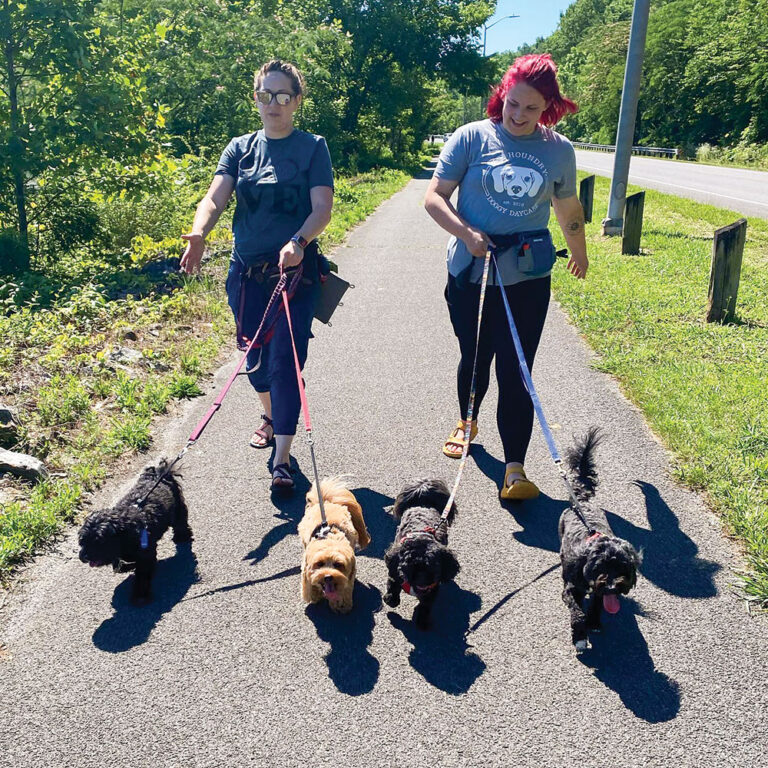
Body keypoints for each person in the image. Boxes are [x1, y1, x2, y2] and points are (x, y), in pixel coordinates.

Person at [424, 53, 588, 501]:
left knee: (519, 369)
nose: (518, 115)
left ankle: (515, 467)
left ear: (547, 107)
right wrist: (466, 232)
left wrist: (580, 253)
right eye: (513, 103)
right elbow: (434, 198)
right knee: (475, 356)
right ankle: (467, 420)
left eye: (531, 108)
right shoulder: (472, 137)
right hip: (470, 273)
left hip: (527, 279)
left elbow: (568, 208)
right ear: (503, 94)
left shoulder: (558, 149)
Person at [180, 60, 334, 491]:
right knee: (256, 359)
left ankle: (282, 458)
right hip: (246, 276)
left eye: (283, 96)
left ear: (297, 101)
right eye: (266, 95)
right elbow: (215, 197)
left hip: (293, 276)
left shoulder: (312, 147)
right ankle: (269, 414)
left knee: (286, 362)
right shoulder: (240, 147)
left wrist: (299, 242)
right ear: (256, 98)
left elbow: (322, 207)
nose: (274, 104)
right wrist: (198, 232)